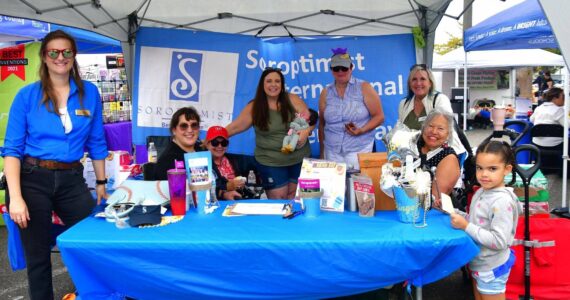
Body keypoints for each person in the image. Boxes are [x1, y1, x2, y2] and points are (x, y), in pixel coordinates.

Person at [2, 30, 108, 300]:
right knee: (38, 257)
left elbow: (97, 142)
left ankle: (93, 295)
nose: (60, 57)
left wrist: (101, 183)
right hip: (32, 178)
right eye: (54, 52)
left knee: (91, 242)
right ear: (44, 57)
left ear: (74, 56)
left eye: (66, 52)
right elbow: (12, 151)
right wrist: (15, 198)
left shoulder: (90, 93)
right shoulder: (27, 96)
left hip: (72, 177)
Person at [450, 140, 522, 300]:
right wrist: (454, 212)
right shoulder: (482, 191)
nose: (484, 174)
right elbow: (478, 222)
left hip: (492, 266)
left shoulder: (501, 202)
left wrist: (466, 226)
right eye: (479, 168)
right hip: (480, 262)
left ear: (507, 169)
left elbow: (499, 241)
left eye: (492, 169)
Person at [226, 68, 313, 199]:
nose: (273, 85)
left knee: (296, 198)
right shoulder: (254, 107)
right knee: (279, 200)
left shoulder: (293, 99)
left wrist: (307, 130)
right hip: (271, 162)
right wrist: (210, 139)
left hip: (299, 159)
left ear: (282, 84)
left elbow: (310, 120)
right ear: (262, 84)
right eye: (269, 81)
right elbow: (233, 128)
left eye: (277, 81)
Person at [318, 48, 384, 170]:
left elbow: (379, 116)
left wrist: (362, 130)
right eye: (336, 68)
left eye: (344, 68)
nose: (340, 71)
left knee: (358, 188)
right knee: (334, 189)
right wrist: (322, 152)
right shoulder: (325, 92)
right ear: (331, 70)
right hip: (332, 152)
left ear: (351, 67)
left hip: (360, 150)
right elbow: (322, 124)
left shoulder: (364, 87)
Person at [398, 64, 465, 155]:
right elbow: (402, 132)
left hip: (443, 153)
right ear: (409, 84)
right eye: (414, 79)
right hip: (414, 155)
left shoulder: (440, 99)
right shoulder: (404, 104)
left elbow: (445, 131)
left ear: (430, 83)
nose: (418, 83)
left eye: (422, 79)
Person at [416, 109, 461, 202]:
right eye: (430, 126)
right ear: (423, 127)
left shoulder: (448, 158)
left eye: (440, 128)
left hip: (433, 212)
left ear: (448, 134)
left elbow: (435, 199)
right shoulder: (414, 146)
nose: (434, 131)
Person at [152, 106, 203, 180]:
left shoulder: (202, 151)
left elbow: (218, 182)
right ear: (174, 130)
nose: (190, 130)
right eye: (184, 126)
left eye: (194, 125)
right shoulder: (167, 161)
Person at [204, 125, 247, 200]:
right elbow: (205, 188)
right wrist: (228, 187)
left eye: (224, 143)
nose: (220, 146)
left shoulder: (233, 159)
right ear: (207, 144)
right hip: (218, 202)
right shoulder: (202, 162)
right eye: (215, 142)